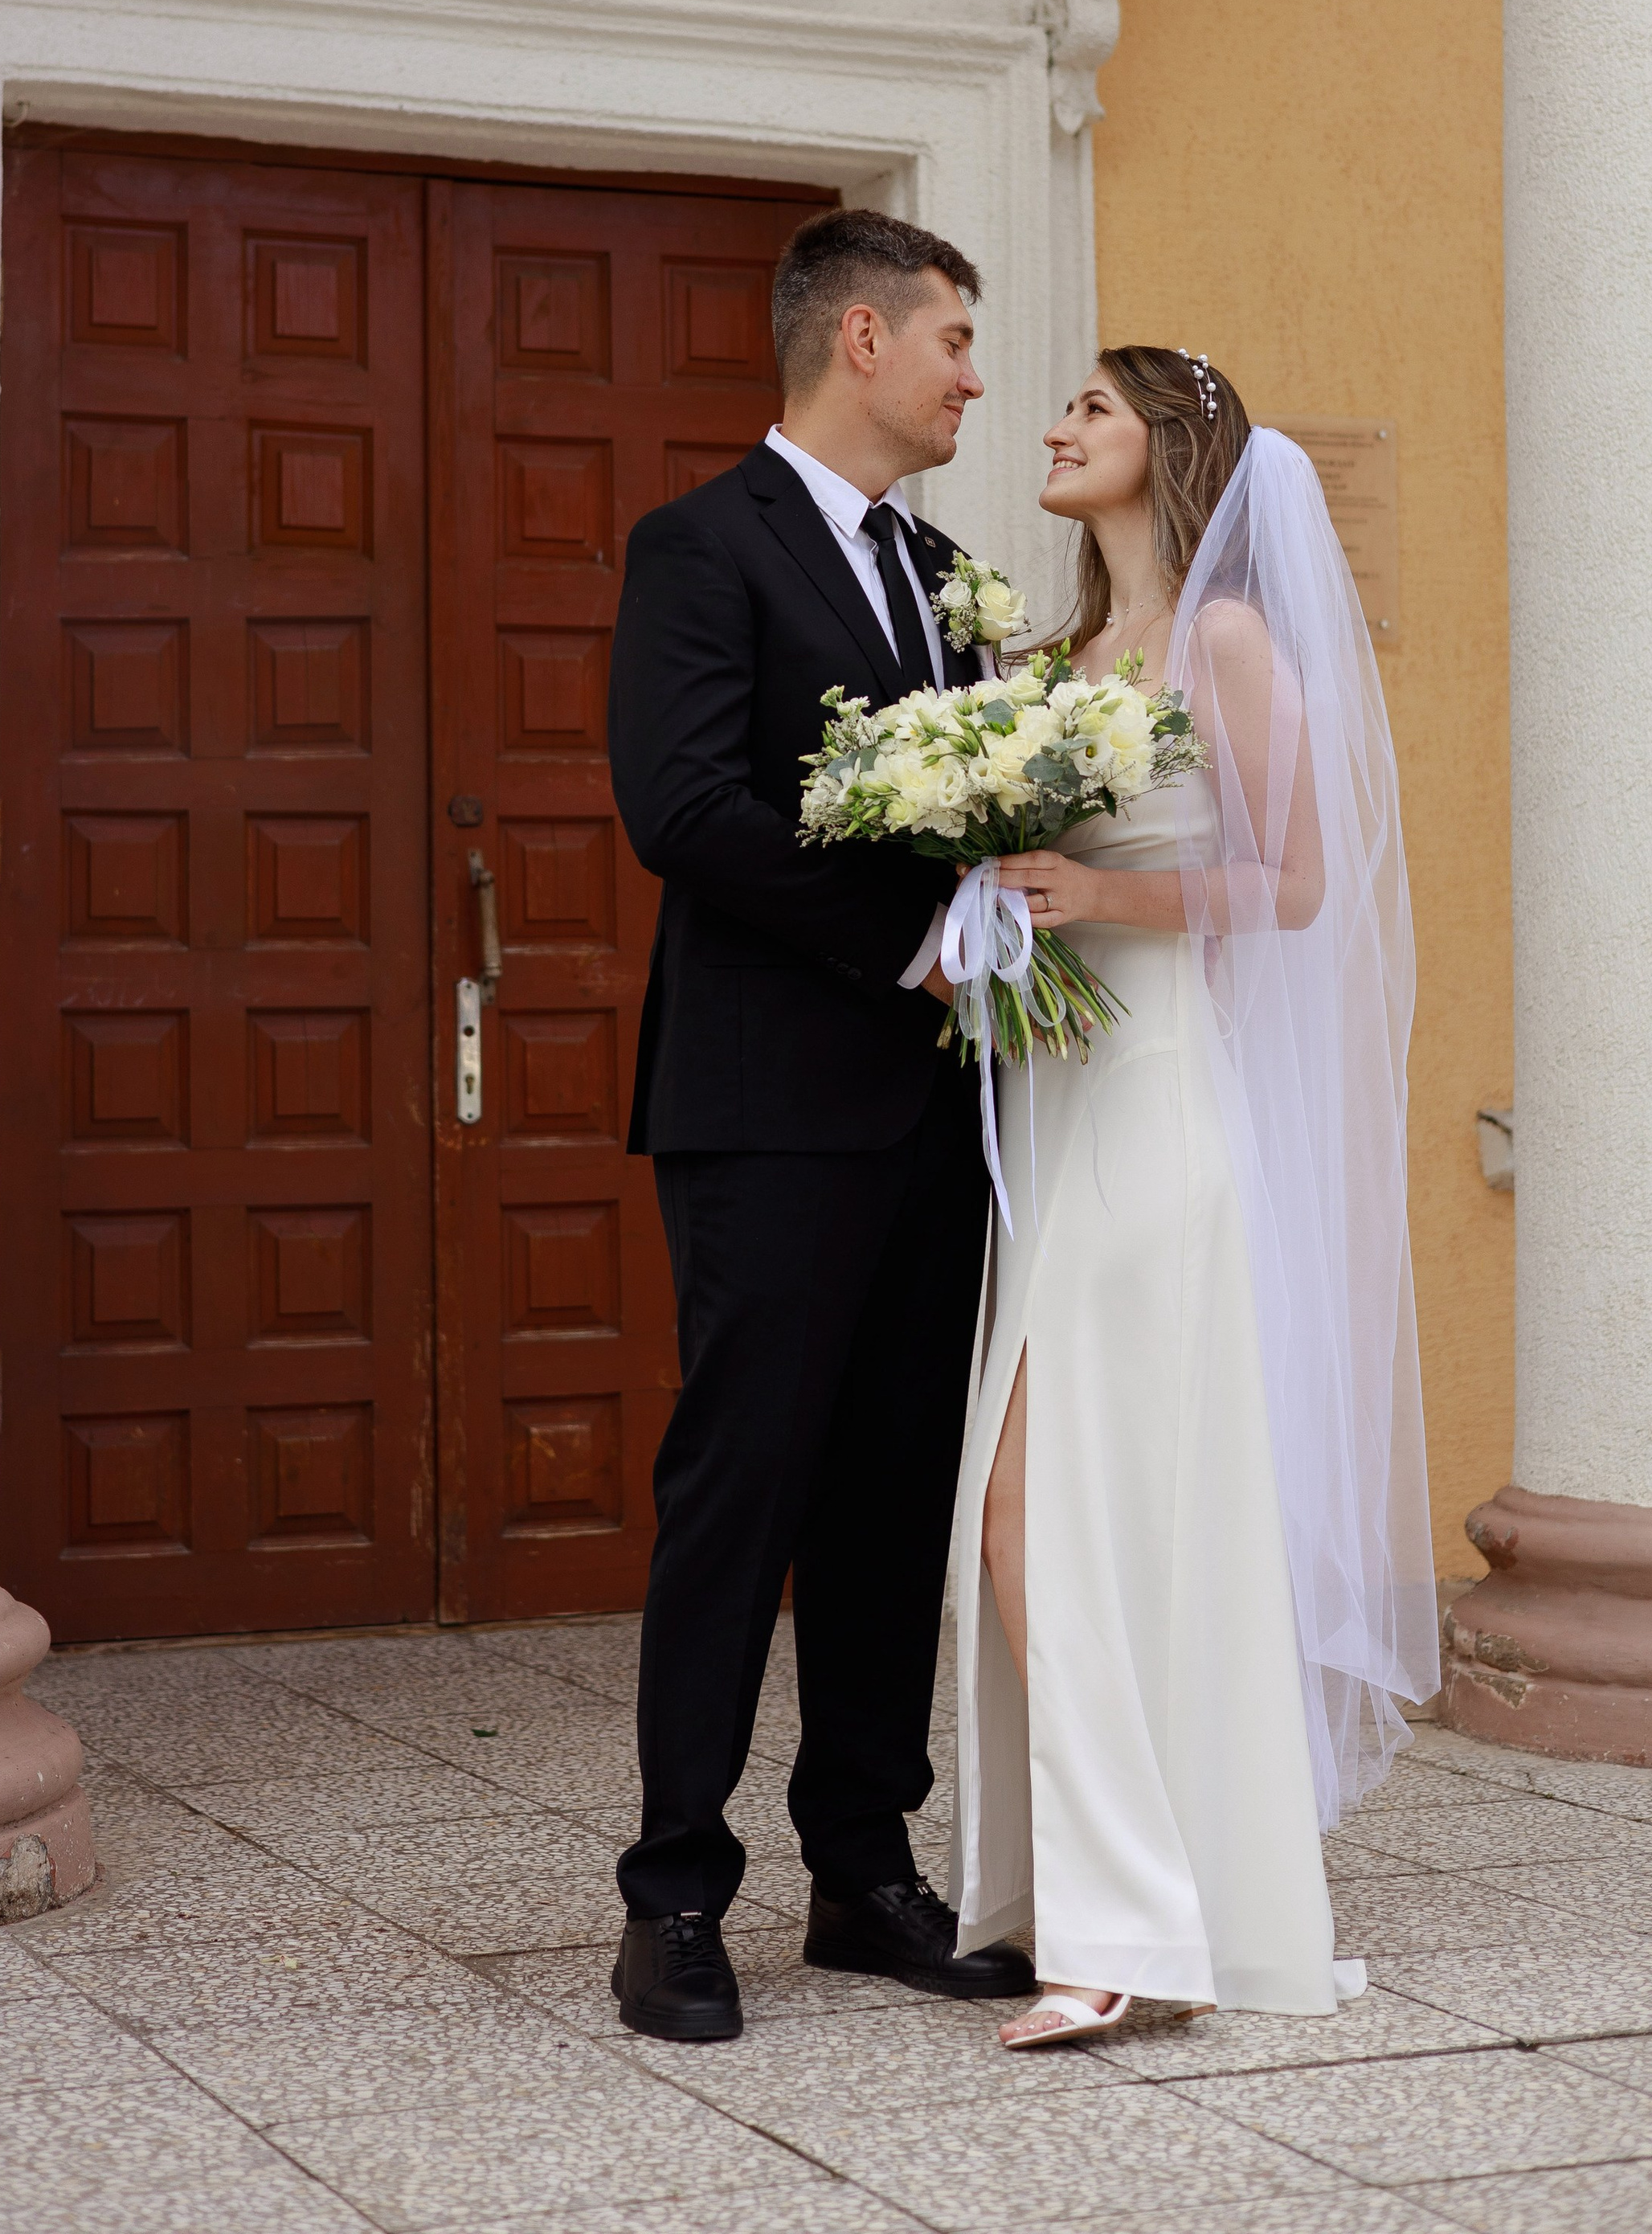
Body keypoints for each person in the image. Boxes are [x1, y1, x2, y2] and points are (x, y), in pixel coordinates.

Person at [950, 349, 1439, 2045]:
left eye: (1086, 406)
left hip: (1160, 1110)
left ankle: (1128, 1929)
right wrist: (991, 934)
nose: (1052, 426)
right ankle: (1121, 1904)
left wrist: (1096, 890)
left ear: (1164, 446)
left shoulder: (1218, 640)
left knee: (1043, 1521)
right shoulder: (1057, 658)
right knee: (1037, 1522)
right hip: (1060, 1103)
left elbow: (1297, 885)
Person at [605, 208, 1037, 2044]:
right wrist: (919, 936)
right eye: (950, 335)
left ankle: (861, 1870)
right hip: (766, 1110)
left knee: (883, 1505)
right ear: (858, 338)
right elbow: (681, 804)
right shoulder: (700, 545)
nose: (970, 372)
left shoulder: (950, 579)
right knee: (741, 1494)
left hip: (940, 1119)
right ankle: (673, 1896)